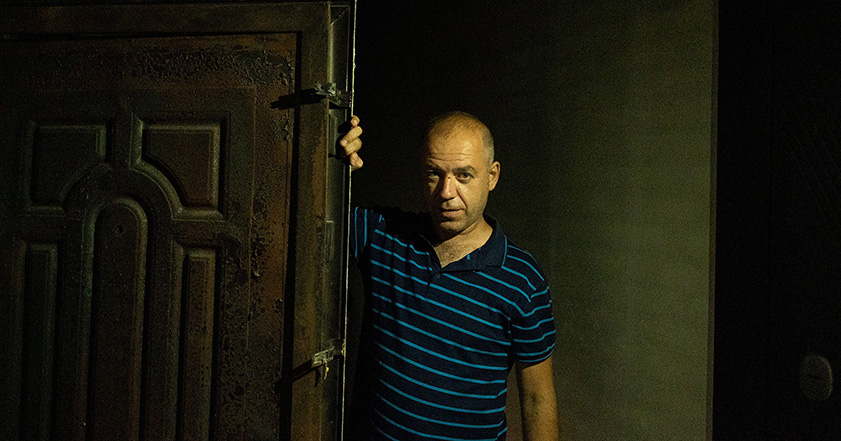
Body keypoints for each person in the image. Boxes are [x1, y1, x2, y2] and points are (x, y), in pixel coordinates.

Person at [339, 112, 558, 441]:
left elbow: (537, 399)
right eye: (434, 174)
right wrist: (331, 158)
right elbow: (307, 215)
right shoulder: (382, 236)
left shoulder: (522, 279)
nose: (446, 192)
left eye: (464, 175)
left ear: (492, 175)